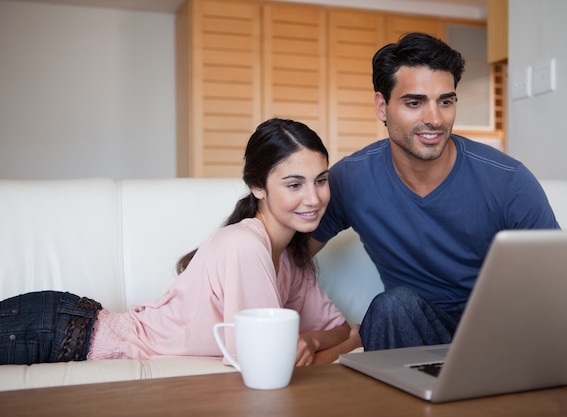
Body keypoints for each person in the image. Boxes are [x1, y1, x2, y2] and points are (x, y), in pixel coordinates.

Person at [0, 118, 361, 366]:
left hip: (69, 324)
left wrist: (313, 342)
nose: (313, 199)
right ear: (258, 186)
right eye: (295, 184)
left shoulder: (291, 259)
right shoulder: (245, 245)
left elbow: (340, 329)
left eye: (321, 180)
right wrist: (347, 346)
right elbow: (269, 364)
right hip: (62, 331)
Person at [310, 32, 560, 351]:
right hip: (416, 331)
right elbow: (293, 254)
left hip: (497, 331)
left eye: (446, 101)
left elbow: (556, 281)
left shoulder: (509, 181)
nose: (434, 119)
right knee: (392, 307)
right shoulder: (351, 178)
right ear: (382, 106)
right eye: (414, 102)